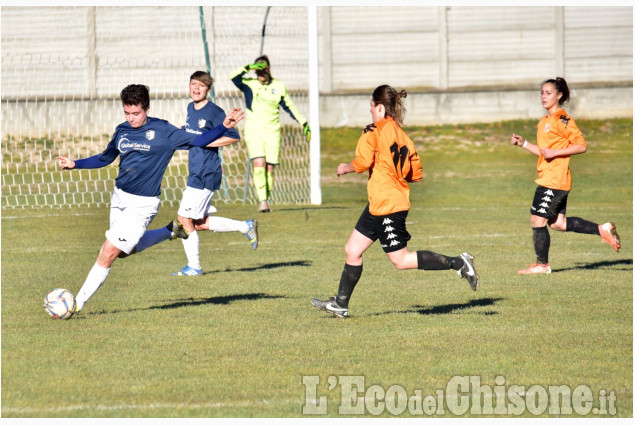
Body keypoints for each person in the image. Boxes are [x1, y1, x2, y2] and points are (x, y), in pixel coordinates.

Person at [56, 84, 244, 314]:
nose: (131, 118)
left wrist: (223, 127)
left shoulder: (164, 131)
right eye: (127, 113)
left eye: (136, 113)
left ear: (147, 109)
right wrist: (76, 164)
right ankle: (171, 230)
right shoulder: (122, 130)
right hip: (119, 199)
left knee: (108, 251)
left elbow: (199, 140)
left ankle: (75, 304)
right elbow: (106, 158)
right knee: (125, 251)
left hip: (142, 205)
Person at [310, 85, 479, 319]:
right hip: (380, 204)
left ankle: (458, 263)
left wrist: (345, 168)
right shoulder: (403, 137)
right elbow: (415, 174)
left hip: (388, 206)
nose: (370, 111)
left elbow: (361, 163)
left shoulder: (373, 130)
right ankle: (341, 303)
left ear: (380, 107)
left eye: (371, 106)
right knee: (352, 250)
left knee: (400, 261)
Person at [510, 77, 621, 275]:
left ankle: (542, 265)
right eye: (542, 93)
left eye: (548, 93)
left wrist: (555, 153)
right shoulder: (544, 121)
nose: (544, 97)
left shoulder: (563, 120)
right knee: (558, 224)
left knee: (537, 220)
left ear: (559, 95)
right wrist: (524, 144)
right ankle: (602, 229)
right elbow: (544, 152)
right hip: (552, 179)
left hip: (554, 180)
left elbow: (581, 146)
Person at [172, 71, 258, 277]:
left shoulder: (214, 111)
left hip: (206, 172)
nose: (195, 88)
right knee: (198, 223)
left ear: (208, 90)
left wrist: (208, 142)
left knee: (183, 219)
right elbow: (193, 133)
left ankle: (194, 267)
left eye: (200, 86)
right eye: (193, 84)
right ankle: (245, 226)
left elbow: (233, 136)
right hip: (195, 170)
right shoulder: (190, 108)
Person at [230, 55, 310, 213]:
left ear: (269, 69)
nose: (261, 72)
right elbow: (233, 77)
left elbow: (290, 106)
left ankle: (265, 197)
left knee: (270, 168)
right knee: (258, 163)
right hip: (254, 131)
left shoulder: (279, 86)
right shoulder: (249, 84)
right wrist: (249, 67)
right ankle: (263, 201)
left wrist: (304, 122)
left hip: (273, 132)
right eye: (258, 70)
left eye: (264, 68)